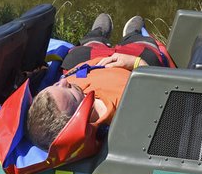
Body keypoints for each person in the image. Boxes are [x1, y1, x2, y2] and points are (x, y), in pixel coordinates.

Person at [26, 14, 171, 149]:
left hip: (87, 63)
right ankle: (133, 35)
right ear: (82, 118)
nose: (64, 82)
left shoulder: (66, 93)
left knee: (85, 49)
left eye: (57, 85)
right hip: (131, 63)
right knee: (146, 49)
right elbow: (162, 92)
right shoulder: (125, 114)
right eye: (71, 95)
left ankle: (97, 34)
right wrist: (137, 63)